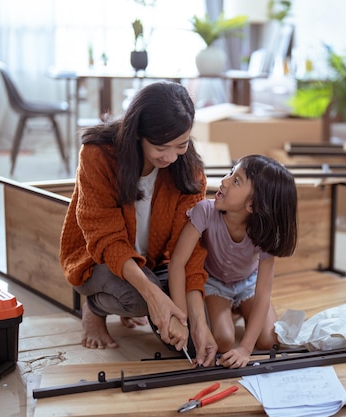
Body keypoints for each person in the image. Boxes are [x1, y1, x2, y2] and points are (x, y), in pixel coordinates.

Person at [59, 81, 218, 367]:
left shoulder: (189, 169)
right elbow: (106, 240)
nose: (170, 158)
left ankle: (150, 293)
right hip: (98, 259)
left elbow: (191, 250)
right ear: (137, 135)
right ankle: (93, 307)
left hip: (154, 263)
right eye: (160, 147)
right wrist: (154, 294)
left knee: (193, 342)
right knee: (140, 299)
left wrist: (196, 322)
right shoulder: (98, 155)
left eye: (181, 145)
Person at [169, 154, 298, 369]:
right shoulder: (205, 211)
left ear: (253, 205)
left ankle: (238, 309)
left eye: (236, 180)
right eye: (230, 173)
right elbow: (177, 264)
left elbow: (263, 293)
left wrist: (246, 349)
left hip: (247, 284)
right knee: (224, 340)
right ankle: (231, 310)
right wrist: (181, 319)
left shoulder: (264, 233)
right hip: (215, 284)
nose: (224, 181)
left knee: (268, 341)